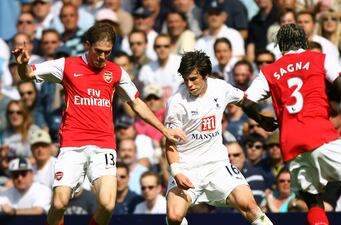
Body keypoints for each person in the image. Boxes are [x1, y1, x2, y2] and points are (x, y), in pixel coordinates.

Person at [11, 22, 186, 225]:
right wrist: (22, 64)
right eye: (98, 51)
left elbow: (137, 104)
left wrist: (164, 130)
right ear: (87, 45)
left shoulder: (116, 72)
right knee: (59, 204)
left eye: (107, 52)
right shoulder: (67, 65)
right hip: (72, 144)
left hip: (103, 145)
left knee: (107, 204)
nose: (103, 57)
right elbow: (28, 74)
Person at [242, 23, 341, 225]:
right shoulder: (318, 58)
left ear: (280, 45)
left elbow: (247, 102)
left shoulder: (270, 71)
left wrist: (262, 120)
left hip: (292, 144)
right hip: (322, 134)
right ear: (303, 41)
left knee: (313, 202)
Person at [164, 50, 274, 225]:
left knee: (251, 206)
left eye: (193, 79)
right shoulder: (176, 103)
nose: (189, 84)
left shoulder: (220, 88)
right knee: (174, 217)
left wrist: (260, 119)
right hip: (187, 167)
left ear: (205, 75)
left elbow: (244, 101)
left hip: (217, 165)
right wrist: (176, 172)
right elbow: (170, 144)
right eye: (185, 79)